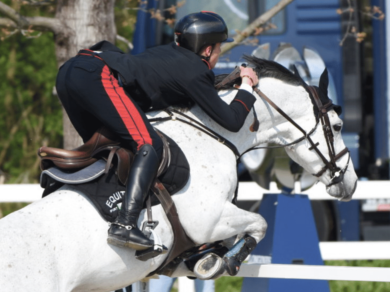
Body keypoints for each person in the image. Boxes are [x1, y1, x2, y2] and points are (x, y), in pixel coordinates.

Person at [56, 11, 259, 251]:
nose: (219, 54)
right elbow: (233, 121)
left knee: (108, 148)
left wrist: (227, 80)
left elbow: (195, 87)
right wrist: (247, 85)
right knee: (149, 144)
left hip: (70, 72)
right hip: (96, 75)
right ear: (207, 50)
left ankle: (101, 211)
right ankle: (126, 224)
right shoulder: (194, 69)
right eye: (219, 48)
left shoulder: (170, 55)